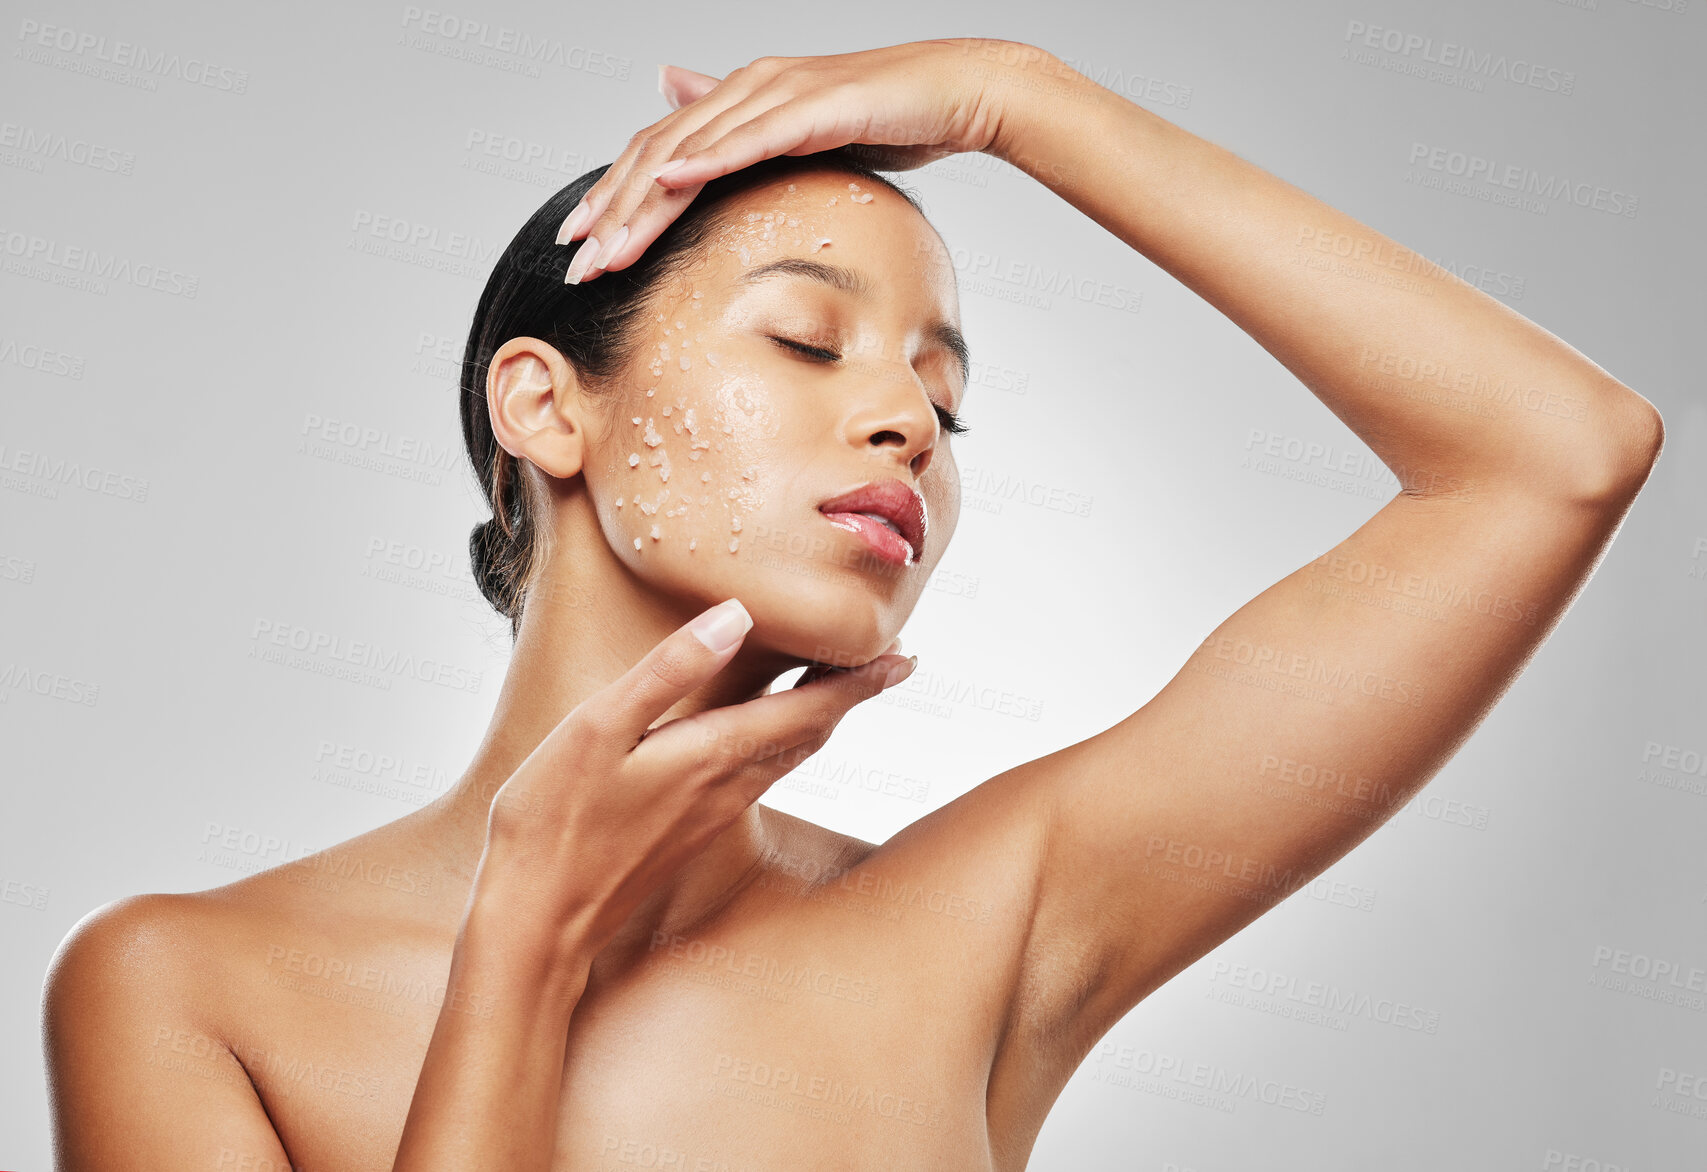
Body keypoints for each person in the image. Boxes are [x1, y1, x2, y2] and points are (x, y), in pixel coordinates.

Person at [41, 38, 1662, 1171]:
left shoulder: (988, 927)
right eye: (807, 342)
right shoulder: (182, 989)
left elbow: (1555, 455)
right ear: (545, 409)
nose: (903, 425)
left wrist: (1012, 96)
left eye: (942, 406)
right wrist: (522, 944)